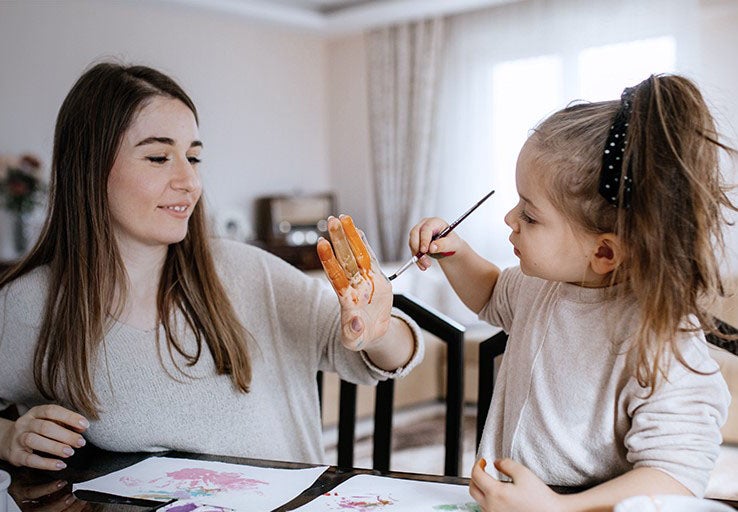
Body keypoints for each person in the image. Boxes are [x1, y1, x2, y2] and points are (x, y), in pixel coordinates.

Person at [0, 61, 422, 472]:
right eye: (158, 158)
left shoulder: (249, 273)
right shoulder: (31, 305)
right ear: (88, 167)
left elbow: (388, 354)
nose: (189, 181)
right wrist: (7, 437)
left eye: (194, 157)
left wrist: (378, 331)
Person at [409, 74, 735, 510]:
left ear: (604, 251)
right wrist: (456, 254)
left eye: (530, 214)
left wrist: (559, 508)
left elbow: (674, 477)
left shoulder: (662, 338)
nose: (509, 218)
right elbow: (489, 293)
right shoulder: (540, 287)